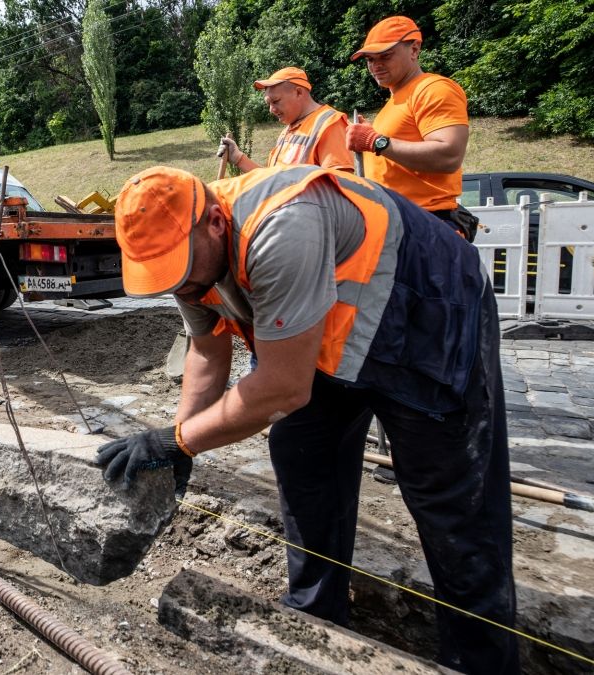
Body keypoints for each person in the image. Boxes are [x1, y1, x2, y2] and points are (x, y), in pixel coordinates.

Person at [96, 165, 518, 674]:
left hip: (427, 312)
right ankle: (316, 611)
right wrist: (180, 441)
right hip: (324, 335)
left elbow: (282, 387)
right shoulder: (188, 258)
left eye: (180, 267)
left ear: (213, 222)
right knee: (303, 456)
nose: (179, 283)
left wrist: (179, 440)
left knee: (451, 499)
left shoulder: (281, 227)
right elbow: (207, 352)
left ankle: (480, 660)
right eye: (162, 273)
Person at [345, 15, 478, 239]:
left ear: (414, 49)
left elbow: (449, 156)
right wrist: (374, 138)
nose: (376, 66)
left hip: (427, 224)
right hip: (402, 224)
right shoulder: (396, 100)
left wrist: (375, 141)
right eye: (369, 60)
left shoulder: (433, 89)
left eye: (385, 56)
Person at [219, 67, 353, 173]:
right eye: (268, 104)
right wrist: (238, 158)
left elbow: (340, 189)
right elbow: (272, 181)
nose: (271, 109)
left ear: (299, 92)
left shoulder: (329, 124)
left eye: (276, 101)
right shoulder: (287, 131)